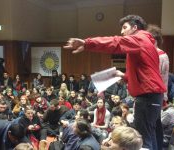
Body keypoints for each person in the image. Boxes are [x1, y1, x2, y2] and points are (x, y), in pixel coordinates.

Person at [64, 15, 166, 150]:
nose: (122, 32)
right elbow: (145, 73)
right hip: (152, 95)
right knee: (151, 136)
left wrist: (87, 43)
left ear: (135, 28)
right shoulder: (146, 42)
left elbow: (116, 42)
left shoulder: (140, 38)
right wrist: (124, 76)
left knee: (144, 141)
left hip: (147, 96)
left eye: (125, 28)